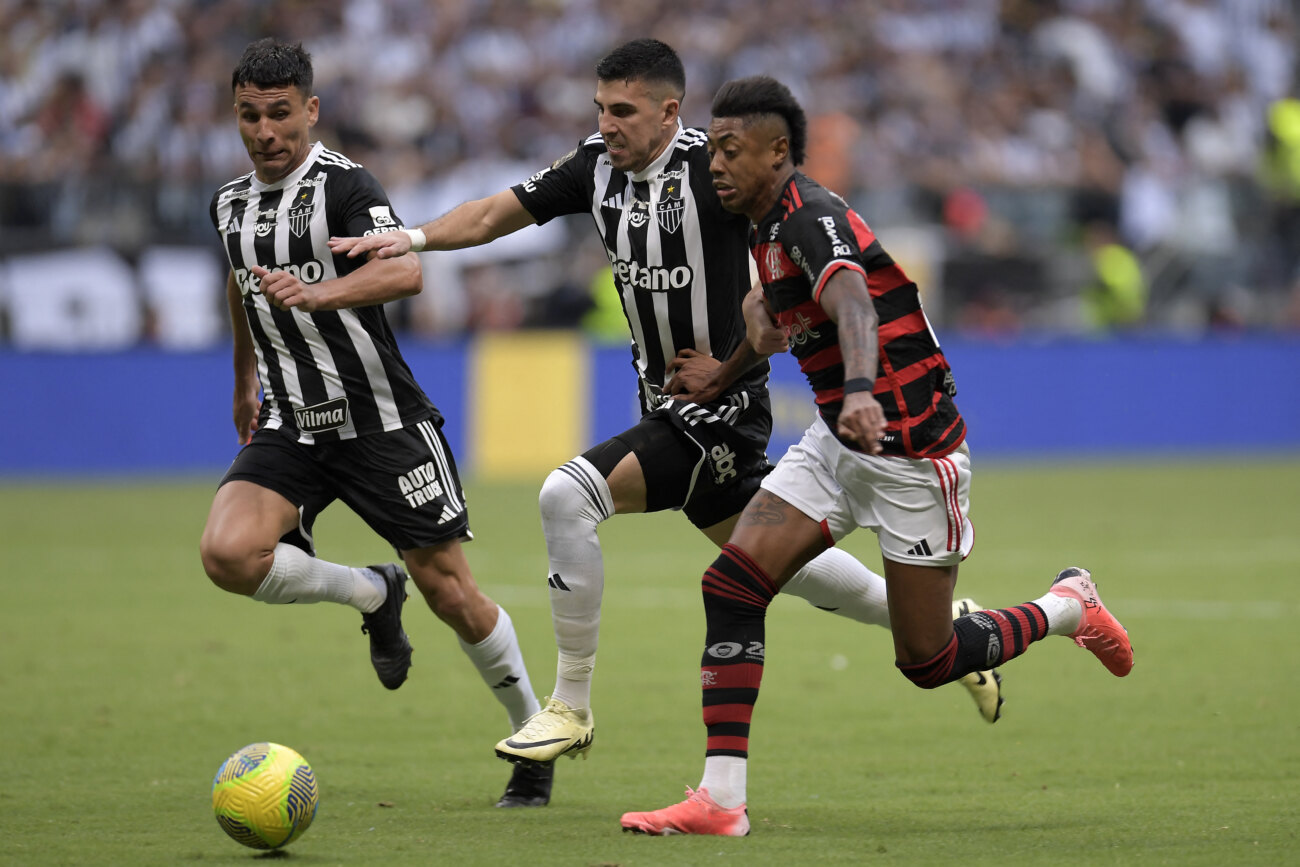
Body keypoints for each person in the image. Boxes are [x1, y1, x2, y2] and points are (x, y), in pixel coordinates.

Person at [329, 39, 1003, 771]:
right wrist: (414, 237)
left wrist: (756, 336)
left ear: (668, 112)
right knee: (786, 570)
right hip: (667, 401)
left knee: (567, 495)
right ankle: (956, 635)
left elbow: (795, 251)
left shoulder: (715, 170)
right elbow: (500, 213)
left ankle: (570, 706)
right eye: (601, 109)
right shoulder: (594, 167)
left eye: (623, 110)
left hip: (723, 409)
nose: (608, 123)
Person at [619, 76, 1134, 837]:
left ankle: (1068, 606)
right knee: (732, 583)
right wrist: (721, 375)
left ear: (778, 152)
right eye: (713, 149)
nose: (715, 165)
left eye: (730, 151)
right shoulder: (760, 225)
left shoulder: (808, 218)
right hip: (838, 440)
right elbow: (773, 321)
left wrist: (860, 388)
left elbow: (852, 300)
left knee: (927, 660)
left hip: (911, 452)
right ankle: (721, 801)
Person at [198, 38, 552, 809]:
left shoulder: (344, 186)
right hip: (293, 422)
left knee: (453, 592)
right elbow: (242, 286)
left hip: (379, 421)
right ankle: (369, 591)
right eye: (250, 116)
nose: (265, 132)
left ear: (311, 110)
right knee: (227, 553)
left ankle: (534, 736)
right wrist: (242, 376)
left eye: (280, 114)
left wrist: (318, 294)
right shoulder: (228, 203)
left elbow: (406, 268)